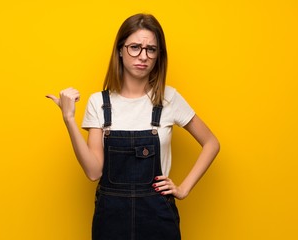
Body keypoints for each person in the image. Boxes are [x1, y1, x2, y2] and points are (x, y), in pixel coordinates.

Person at [46, 13, 220, 240]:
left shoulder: (169, 98)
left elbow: (211, 143)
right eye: (135, 47)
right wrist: (69, 119)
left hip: (158, 216)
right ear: (120, 49)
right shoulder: (99, 103)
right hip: (111, 218)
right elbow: (93, 172)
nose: (143, 56)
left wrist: (183, 189)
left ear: (158, 55)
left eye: (151, 49)